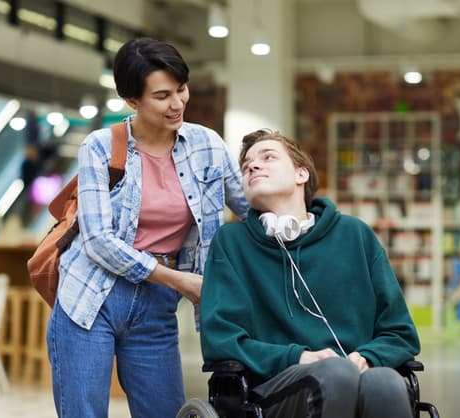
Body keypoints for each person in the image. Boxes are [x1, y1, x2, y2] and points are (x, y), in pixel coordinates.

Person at [46, 37, 249, 418]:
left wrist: (299, 216)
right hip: (92, 298)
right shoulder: (100, 147)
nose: (177, 104)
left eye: (181, 89)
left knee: (164, 411)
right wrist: (179, 281)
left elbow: (249, 209)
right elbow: (98, 241)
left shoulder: (206, 145)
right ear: (132, 101)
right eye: (162, 95)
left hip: (156, 307)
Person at [200, 129, 421, 418]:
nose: (253, 166)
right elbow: (221, 339)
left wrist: (368, 357)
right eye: (246, 166)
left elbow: (400, 333)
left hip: (356, 375)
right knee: (336, 373)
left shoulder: (355, 235)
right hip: (271, 392)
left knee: (386, 382)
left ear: (301, 175)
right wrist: (299, 357)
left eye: (268, 157)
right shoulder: (231, 243)